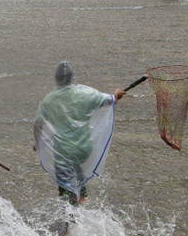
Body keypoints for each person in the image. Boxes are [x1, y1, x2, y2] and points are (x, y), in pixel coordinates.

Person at [33, 62, 126, 206]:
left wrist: (38, 144)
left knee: (65, 187)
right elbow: (110, 100)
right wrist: (117, 94)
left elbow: (38, 125)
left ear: (56, 79)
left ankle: (69, 223)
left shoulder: (48, 100)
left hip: (63, 150)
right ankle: (83, 196)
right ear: (72, 78)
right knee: (76, 166)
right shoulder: (85, 94)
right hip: (84, 148)